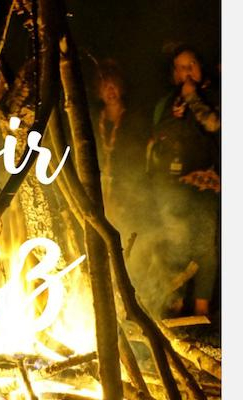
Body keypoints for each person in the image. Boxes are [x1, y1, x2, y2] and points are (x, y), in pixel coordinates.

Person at [148, 45, 220, 316]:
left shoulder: (213, 95)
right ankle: (176, 306)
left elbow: (214, 126)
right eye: (181, 67)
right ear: (175, 73)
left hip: (206, 182)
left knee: (205, 246)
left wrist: (193, 99)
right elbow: (157, 137)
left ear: (200, 67)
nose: (187, 71)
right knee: (176, 242)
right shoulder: (168, 102)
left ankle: (201, 312)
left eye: (191, 65)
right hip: (172, 185)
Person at [91, 60, 149, 224]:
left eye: (114, 85)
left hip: (130, 189)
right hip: (101, 188)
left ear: (121, 87)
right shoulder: (94, 121)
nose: (110, 90)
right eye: (105, 86)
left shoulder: (134, 119)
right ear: (98, 91)